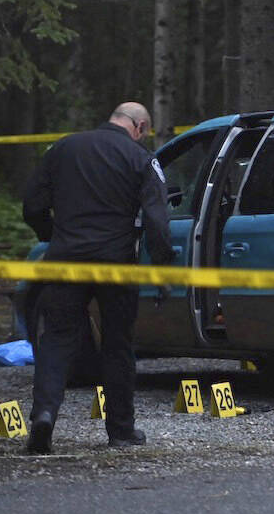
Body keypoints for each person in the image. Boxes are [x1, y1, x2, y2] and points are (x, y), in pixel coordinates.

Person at [21, 102, 175, 454]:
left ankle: (44, 415)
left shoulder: (63, 148)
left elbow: (31, 203)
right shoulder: (140, 157)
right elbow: (157, 220)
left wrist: (52, 236)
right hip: (116, 263)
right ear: (139, 126)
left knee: (57, 340)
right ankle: (121, 430)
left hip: (65, 260)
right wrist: (162, 265)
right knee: (117, 344)